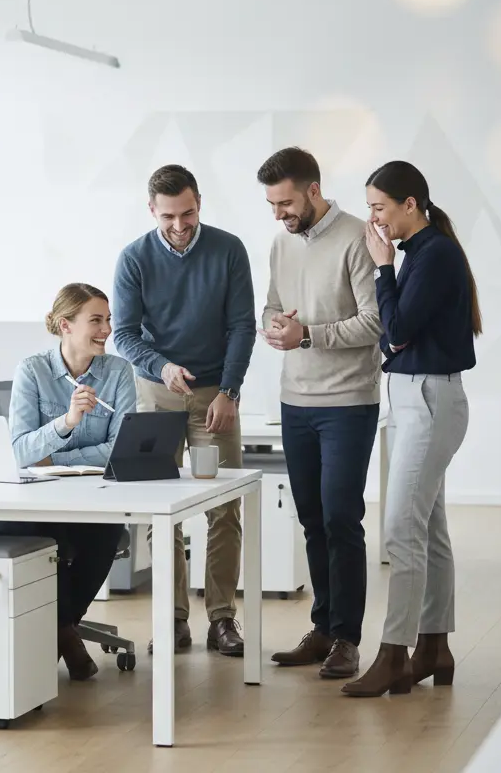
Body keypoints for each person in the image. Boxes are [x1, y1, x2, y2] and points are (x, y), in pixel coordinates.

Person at [341, 160, 480, 698]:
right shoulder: (423, 253)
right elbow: (395, 335)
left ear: (410, 205)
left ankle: (394, 654)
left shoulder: (432, 255)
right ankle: (434, 648)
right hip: (415, 397)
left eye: (379, 208)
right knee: (428, 529)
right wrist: (391, 280)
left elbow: (394, 329)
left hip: (428, 399)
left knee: (400, 529)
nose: (374, 219)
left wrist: (383, 267)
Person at [112, 164, 256, 657]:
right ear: (152, 210)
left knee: (224, 509)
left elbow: (242, 326)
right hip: (158, 393)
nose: (179, 225)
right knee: (161, 508)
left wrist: (230, 391)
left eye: (188, 213)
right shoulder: (134, 258)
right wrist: (162, 366)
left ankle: (222, 618)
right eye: (168, 216)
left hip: (216, 392)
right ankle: (172, 618)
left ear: (199, 204)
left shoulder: (228, 250)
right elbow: (124, 334)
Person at [256, 147, 383, 680]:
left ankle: (348, 638)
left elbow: (375, 322)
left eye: (285, 203)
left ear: (313, 190)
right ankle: (324, 628)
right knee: (310, 518)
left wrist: (307, 334)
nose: (279, 214)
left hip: (348, 402)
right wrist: (275, 325)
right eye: (271, 204)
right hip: (296, 401)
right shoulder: (281, 243)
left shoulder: (357, 238)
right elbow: (271, 304)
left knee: (340, 517)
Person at [0, 283, 137, 681]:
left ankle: (60, 626)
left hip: (93, 498)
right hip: (35, 501)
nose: (107, 329)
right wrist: (67, 422)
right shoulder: (33, 370)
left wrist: (56, 457)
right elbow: (19, 450)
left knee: (105, 531)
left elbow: (120, 447)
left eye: (108, 320)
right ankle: (65, 633)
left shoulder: (118, 372)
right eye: (96, 320)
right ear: (65, 325)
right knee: (35, 533)